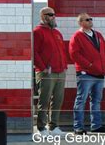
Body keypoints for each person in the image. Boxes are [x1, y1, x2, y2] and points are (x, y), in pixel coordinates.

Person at [69, 13, 105, 134]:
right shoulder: (77, 36)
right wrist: (89, 66)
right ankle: (78, 127)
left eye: (91, 19)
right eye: (87, 20)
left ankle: (96, 126)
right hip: (85, 74)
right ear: (81, 23)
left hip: (100, 73)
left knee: (96, 100)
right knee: (81, 100)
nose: (90, 21)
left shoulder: (98, 35)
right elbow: (74, 54)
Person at [33, 7, 68, 136]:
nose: (53, 16)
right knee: (44, 100)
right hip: (46, 73)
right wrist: (42, 67)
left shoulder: (57, 33)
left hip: (60, 71)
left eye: (54, 14)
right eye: (50, 14)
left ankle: (53, 127)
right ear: (43, 16)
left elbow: (62, 52)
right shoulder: (37, 32)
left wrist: (64, 65)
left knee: (58, 100)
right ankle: (41, 128)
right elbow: (34, 52)